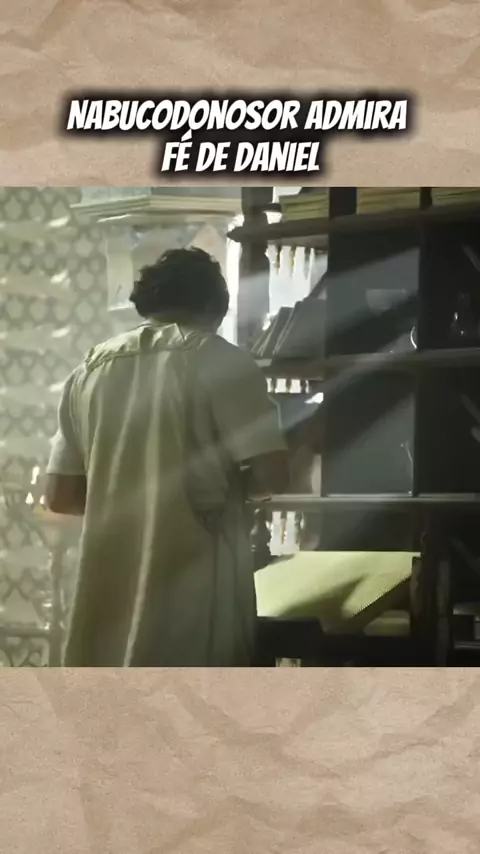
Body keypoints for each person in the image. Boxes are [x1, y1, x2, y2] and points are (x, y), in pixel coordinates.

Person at [45, 247, 289, 666]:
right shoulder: (221, 360)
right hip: (197, 580)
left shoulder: (89, 370)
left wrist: (123, 495)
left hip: (108, 582)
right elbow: (273, 478)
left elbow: (61, 496)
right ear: (217, 306)